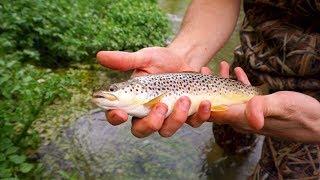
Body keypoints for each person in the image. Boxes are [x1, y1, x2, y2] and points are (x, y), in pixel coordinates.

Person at [97, 0, 320, 178]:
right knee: (228, 139)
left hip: (313, 101)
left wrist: (316, 124)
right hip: (246, 70)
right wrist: (184, 54)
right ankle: (227, 163)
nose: (111, 92)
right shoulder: (141, 93)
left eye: (115, 88)